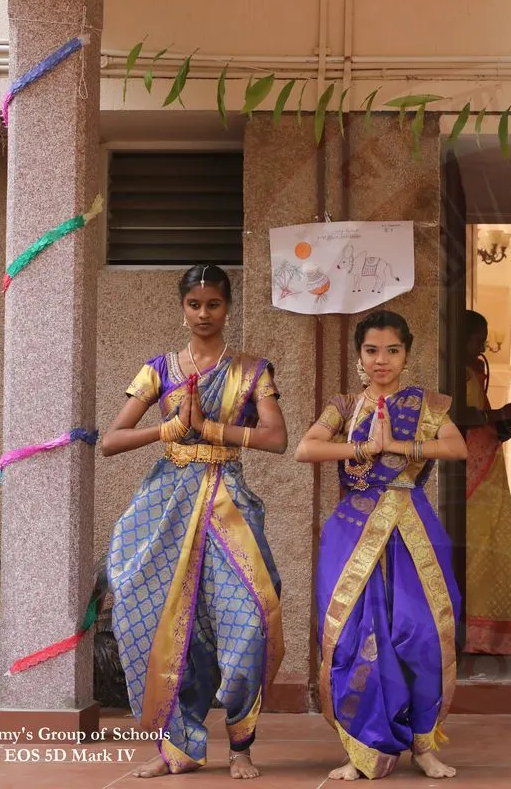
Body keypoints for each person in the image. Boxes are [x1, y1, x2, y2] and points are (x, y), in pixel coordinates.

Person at [101, 264, 287, 779]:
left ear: (228, 307)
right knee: (158, 621)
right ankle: (177, 746)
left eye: (214, 304)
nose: (204, 314)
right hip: (166, 507)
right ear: (182, 308)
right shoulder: (158, 369)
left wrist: (211, 428)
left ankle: (242, 744)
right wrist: (172, 428)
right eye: (194, 304)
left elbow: (276, 438)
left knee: (248, 622)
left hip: (230, 503)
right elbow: (111, 441)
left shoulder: (252, 370)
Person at [296, 310, 469, 781]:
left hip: (412, 528)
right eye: (372, 350)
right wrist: (363, 449)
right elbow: (306, 448)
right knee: (356, 635)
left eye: (392, 350)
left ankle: (423, 743)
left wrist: (402, 445)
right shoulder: (344, 407)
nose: (382, 360)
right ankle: (362, 749)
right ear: (359, 356)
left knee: (422, 633)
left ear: (406, 355)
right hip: (353, 531)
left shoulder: (428, 406)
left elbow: (457, 448)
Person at [459, 310, 511, 656]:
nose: (482, 349)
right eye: (478, 340)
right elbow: (458, 415)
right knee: (475, 548)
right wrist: (499, 414)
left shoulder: (471, 371)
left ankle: (487, 632)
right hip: (469, 472)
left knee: (488, 544)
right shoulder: (455, 372)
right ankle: (472, 631)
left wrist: (504, 420)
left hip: (486, 465)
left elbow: (481, 416)